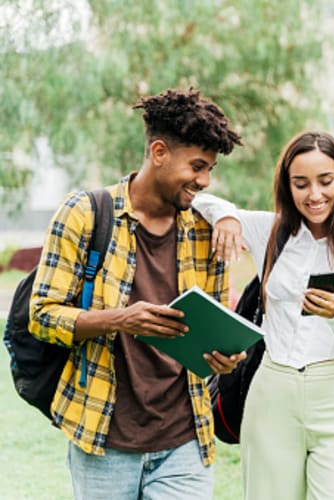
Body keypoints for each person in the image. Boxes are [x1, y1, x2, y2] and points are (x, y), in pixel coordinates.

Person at [29, 88, 246, 500]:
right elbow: (41, 316)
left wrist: (225, 357)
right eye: (197, 166)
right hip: (104, 440)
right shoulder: (84, 213)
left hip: (185, 439)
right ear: (159, 152)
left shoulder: (207, 229)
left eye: (211, 169)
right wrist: (121, 319)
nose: (205, 181)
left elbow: (215, 330)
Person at [193, 130, 334, 499]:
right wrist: (227, 218)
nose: (314, 195)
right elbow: (199, 201)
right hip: (272, 392)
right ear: (288, 186)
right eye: (301, 184)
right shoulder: (270, 231)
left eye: (325, 181)